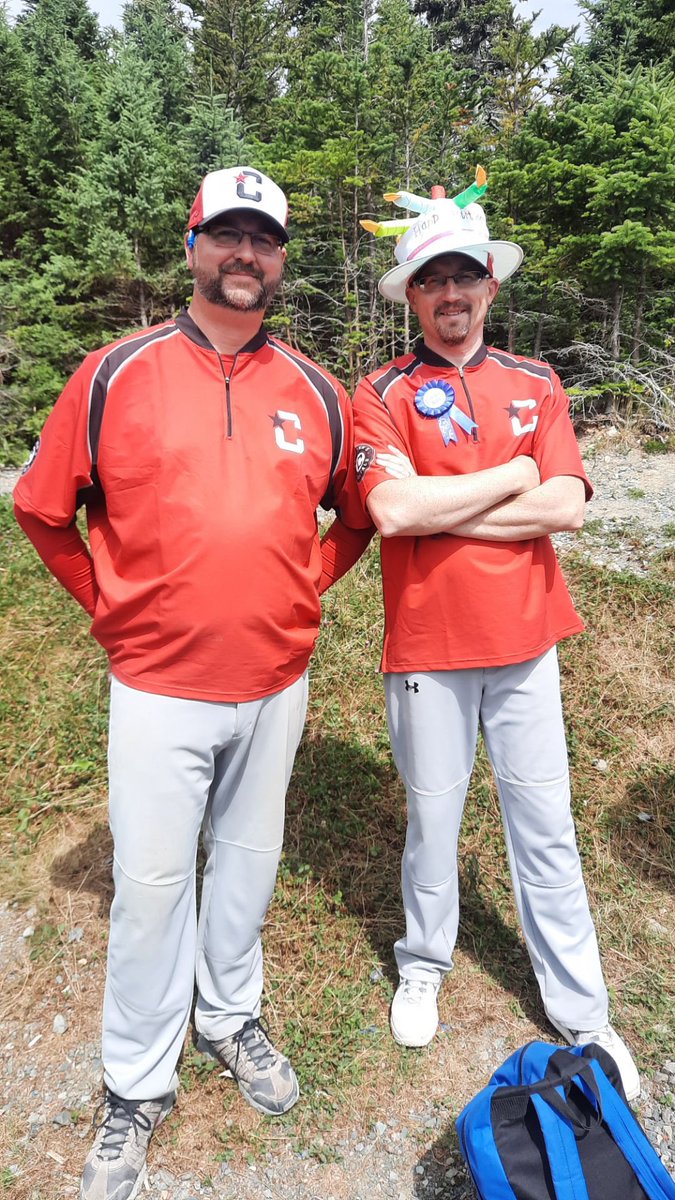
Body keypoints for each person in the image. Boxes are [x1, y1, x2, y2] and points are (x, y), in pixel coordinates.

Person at [13, 165, 372, 1200]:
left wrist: (308, 584)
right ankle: (135, 1081)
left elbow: (355, 513)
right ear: (192, 246)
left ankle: (230, 1017)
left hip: (275, 681)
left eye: (263, 240)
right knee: (154, 887)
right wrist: (107, 606)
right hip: (159, 685)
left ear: (282, 260)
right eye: (228, 236)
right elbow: (42, 509)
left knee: (250, 863)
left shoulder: (313, 388)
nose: (245, 255)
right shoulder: (115, 371)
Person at [351, 192, 641, 1100]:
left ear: (489, 288)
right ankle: (423, 962)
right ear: (412, 296)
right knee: (433, 819)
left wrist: (457, 505)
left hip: (525, 643)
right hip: (429, 646)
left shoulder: (537, 381)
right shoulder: (381, 391)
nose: (450, 293)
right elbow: (391, 513)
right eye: (432, 278)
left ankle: (582, 1011)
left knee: (544, 828)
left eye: (464, 276)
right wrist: (512, 474)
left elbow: (566, 505)